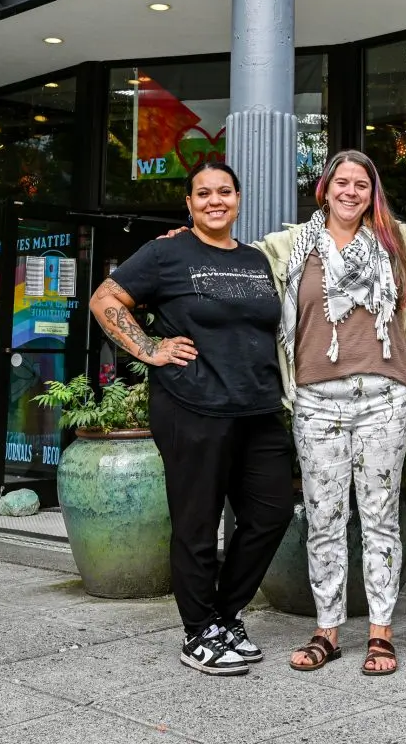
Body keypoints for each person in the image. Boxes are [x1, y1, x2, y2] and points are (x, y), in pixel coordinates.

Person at [88, 160, 294, 676]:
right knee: (197, 524)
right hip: (192, 408)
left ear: (239, 198)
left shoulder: (256, 260)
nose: (214, 201)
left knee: (271, 514)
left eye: (224, 191)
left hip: (258, 409)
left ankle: (224, 615)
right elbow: (105, 298)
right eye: (203, 193)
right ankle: (198, 632)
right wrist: (149, 347)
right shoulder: (166, 252)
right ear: (189, 203)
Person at [255, 150, 406, 676]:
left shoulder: (399, 242)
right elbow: (235, 254)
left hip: (384, 399)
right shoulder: (291, 246)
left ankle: (380, 634)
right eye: (342, 183)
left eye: (362, 185)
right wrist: (183, 236)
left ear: (373, 195)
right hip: (316, 401)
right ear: (324, 189)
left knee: (379, 519)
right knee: (323, 520)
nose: (351, 192)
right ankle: (327, 630)